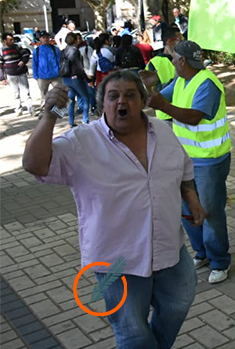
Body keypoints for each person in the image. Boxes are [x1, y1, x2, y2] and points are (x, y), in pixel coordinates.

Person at [22, 70, 205, 349]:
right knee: (131, 331)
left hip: (169, 246)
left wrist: (191, 198)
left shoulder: (163, 131)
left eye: (130, 95)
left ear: (142, 101)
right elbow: (35, 165)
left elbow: (183, 170)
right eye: (114, 96)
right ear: (102, 104)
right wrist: (49, 116)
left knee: (178, 304)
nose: (123, 102)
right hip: (114, 260)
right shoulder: (80, 142)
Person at [143, 40, 232, 284]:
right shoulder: (181, 81)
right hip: (186, 160)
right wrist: (151, 89)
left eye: (173, 58)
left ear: (182, 61)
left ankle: (219, 261)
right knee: (187, 210)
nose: (171, 62)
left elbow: (193, 117)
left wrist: (163, 105)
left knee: (210, 211)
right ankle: (202, 253)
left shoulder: (207, 84)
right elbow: (158, 100)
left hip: (209, 160)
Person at [145, 27, 181, 121]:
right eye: (179, 41)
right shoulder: (154, 63)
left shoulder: (183, 59)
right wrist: (176, 80)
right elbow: (154, 92)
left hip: (185, 110)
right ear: (169, 42)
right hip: (166, 115)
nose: (182, 44)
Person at [59, 33, 93, 127]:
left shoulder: (63, 51)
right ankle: (85, 119)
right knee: (85, 97)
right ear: (74, 40)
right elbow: (79, 67)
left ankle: (71, 121)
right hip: (75, 77)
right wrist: (87, 80)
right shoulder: (75, 51)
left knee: (71, 100)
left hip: (65, 78)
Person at [1, 32, 35, 116]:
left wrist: (23, 62)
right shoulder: (2, 51)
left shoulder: (17, 47)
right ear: (5, 41)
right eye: (10, 40)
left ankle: (30, 109)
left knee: (26, 92)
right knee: (15, 93)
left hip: (21, 72)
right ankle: (18, 109)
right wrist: (2, 78)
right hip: (11, 74)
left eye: (13, 39)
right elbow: (0, 65)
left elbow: (26, 55)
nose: (12, 41)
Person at [31, 31, 61, 112]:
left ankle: (59, 110)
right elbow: (35, 64)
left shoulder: (55, 49)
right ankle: (45, 110)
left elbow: (60, 62)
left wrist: (59, 72)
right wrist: (36, 76)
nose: (45, 39)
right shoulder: (37, 51)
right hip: (42, 77)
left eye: (47, 37)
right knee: (43, 95)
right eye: (43, 37)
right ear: (40, 39)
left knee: (59, 93)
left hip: (56, 76)